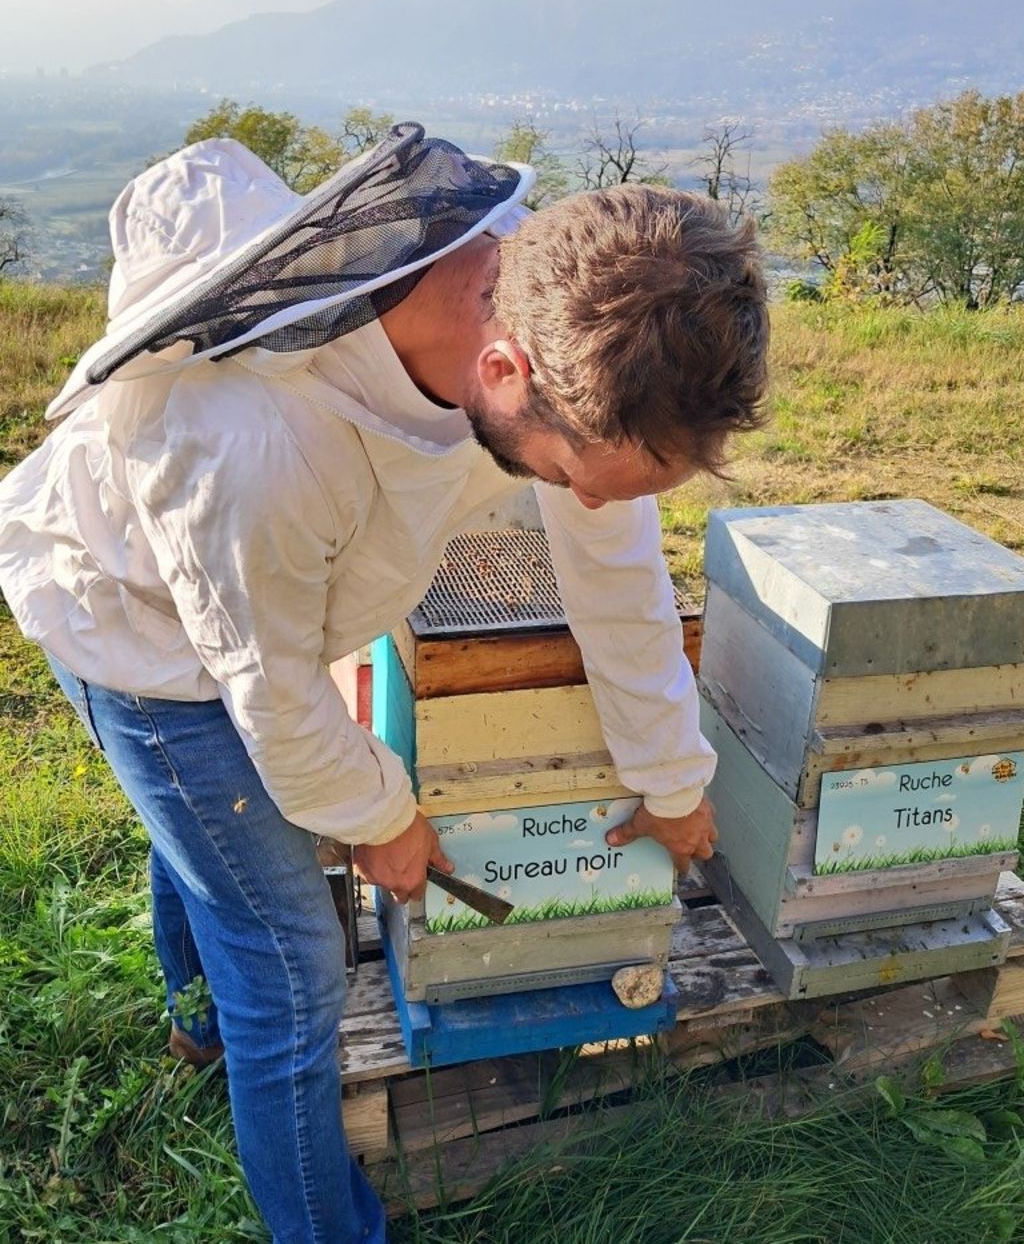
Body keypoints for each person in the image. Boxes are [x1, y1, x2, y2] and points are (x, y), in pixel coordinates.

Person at [0, 123, 769, 1244]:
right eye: (566, 478)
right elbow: (267, 693)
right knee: (294, 972)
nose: (585, 505)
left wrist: (667, 772)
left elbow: (613, 563)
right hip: (143, 631)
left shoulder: (551, 313)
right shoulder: (262, 438)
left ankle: (192, 1024)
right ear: (502, 371)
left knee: (216, 851)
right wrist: (381, 817)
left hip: (258, 607)